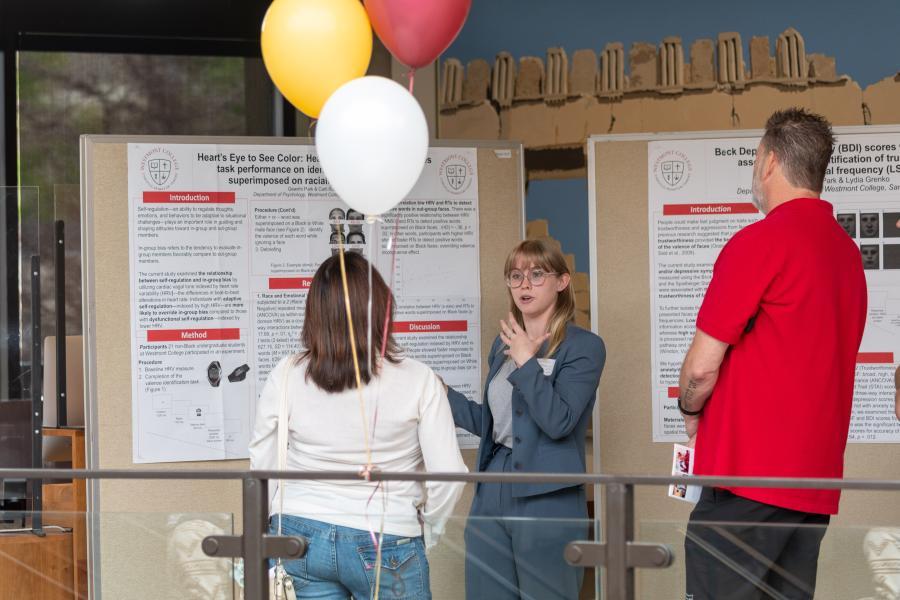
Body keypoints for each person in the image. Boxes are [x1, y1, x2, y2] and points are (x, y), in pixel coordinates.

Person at [677, 108, 868, 600]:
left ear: (769, 161)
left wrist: (689, 407)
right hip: (813, 487)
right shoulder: (846, 254)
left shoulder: (759, 242)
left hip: (748, 481)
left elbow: (700, 367)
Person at [249, 252, 467, 599]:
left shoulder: (287, 373)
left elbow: (263, 467)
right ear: (380, 306)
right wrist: (428, 528)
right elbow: (449, 474)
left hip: (298, 534)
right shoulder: (419, 379)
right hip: (387, 535)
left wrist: (264, 533)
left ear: (315, 312)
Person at [445, 238, 606, 600]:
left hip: (548, 495)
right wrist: (442, 395)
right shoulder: (502, 346)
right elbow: (495, 423)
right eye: (515, 276)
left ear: (562, 282)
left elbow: (559, 421)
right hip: (492, 487)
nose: (524, 284)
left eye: (536, 274)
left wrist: (526, 361)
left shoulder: (584, 347)